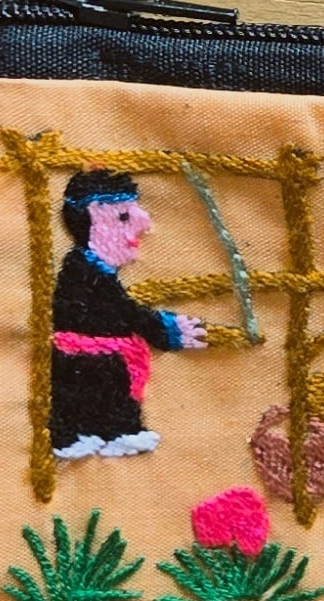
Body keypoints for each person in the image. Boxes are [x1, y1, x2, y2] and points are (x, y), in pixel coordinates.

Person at [48, 170, 207, 462]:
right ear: (89, 220)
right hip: (85, 362)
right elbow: (122, 311)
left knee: (106, 383)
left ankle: (107, 430)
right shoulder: (83, 272)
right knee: (101, 384)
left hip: (97, 363)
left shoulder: (95, 271)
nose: (143, 224)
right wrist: (163, 328)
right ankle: (88, 433)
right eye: (123, 217)